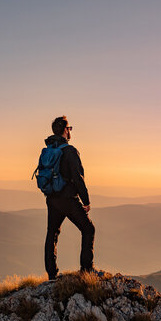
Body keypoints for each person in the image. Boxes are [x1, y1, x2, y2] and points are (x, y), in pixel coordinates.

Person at [44, 116, 95, 280]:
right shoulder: (69, 150)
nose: (70, 131)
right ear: (66, 130)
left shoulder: (49, 150)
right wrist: (85, 200)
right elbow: (78, 177)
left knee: (52, 233)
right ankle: (86, 270)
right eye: (69, 128)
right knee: (88, 229)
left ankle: (52, 274)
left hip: (52, 198)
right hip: (68, 199)